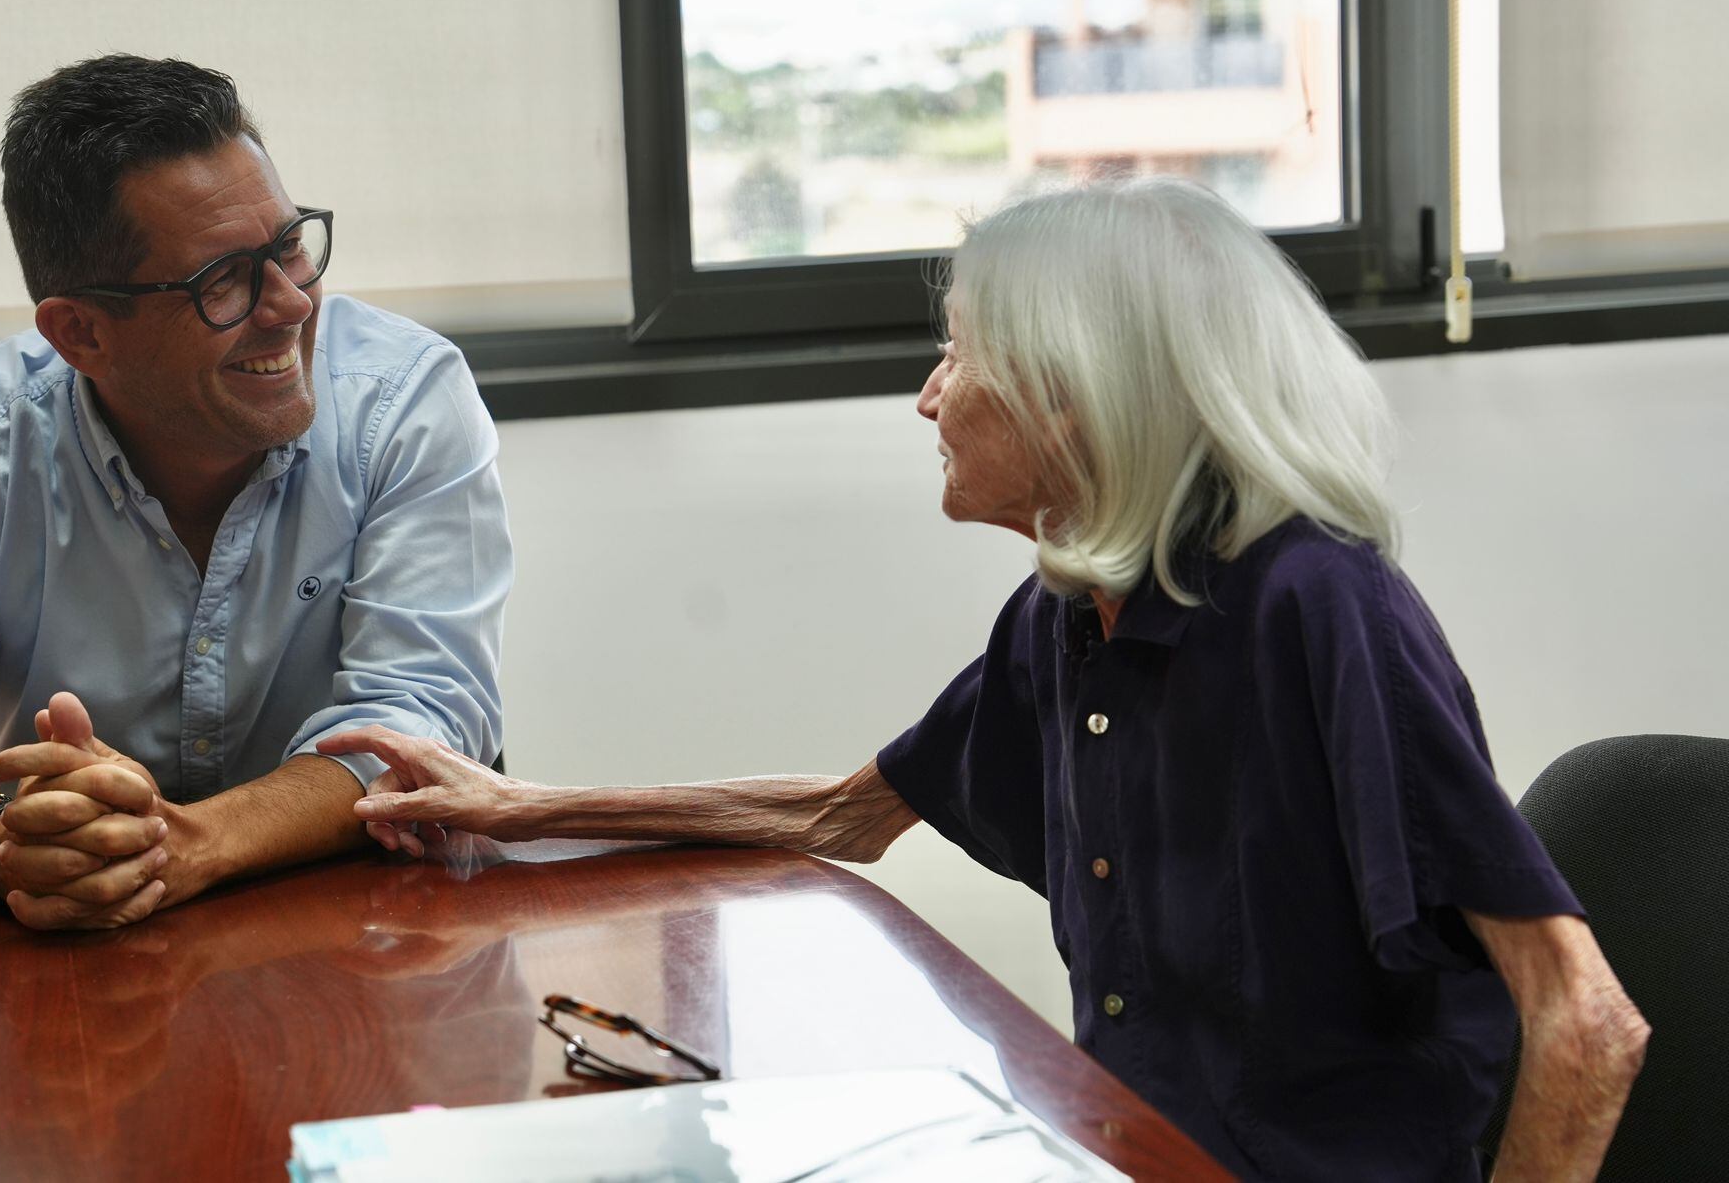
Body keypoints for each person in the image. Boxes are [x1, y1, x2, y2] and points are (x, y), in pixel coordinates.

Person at [316, 179, 1647, 1181]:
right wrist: (519, 806)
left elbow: (1584, 1021)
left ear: (1077, 393)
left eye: (958, 352)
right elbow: (843, 815)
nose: (927, 396)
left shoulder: (1319, 601)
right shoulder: (1067, 615)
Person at [0, 55, 511, 930]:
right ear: (79, 331)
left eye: (289, 247)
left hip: (361, 929)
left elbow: (423, 722)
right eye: (221, 281)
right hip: (69, 967)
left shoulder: (406, 398)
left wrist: (185, 842)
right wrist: (7, 840)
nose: (290, 305)